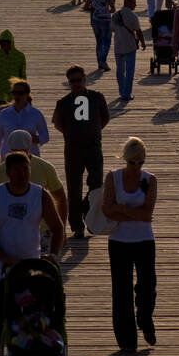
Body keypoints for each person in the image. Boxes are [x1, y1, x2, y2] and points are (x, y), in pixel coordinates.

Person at [0, 150, 65, 316]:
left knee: (32, 316)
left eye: (26, 169)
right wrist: (3, 257)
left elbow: (57, 228)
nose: (22, 174)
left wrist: (53, 255)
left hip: (31, 267)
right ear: (8, 172)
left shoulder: (40, 194)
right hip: (1, 267)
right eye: (17, 170)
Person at [101, 137, 158, 351]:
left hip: (144, 239)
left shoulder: (148, 180)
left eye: (141, 162)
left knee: (148, 286)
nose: (137, 167)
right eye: (133, 162)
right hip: (119, 241)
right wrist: (132, 212)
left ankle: (144, 318)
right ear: (126, 160)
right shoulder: (113, 178)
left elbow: (147, 213)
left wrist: (121, 209)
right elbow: (106, 209)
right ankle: (127, 340)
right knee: (121, 291)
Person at [52, 64, 111, 238]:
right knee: (74, 188)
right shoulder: (63, 103)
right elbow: (57, 123)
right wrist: (71, 134)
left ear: (85, 79)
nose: (76, 84)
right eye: (72, 81)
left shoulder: (96, 98)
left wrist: (93, 130)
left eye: (79, 80)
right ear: (69, 83)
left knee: (96, 186)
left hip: (93, 147)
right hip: (73, 149)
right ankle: (77, 225)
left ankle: (88, 212)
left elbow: (105, 118)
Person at [0, 129, 68, 251]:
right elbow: (60, 198)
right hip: (39, 233)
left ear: (8, 145)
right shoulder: (45, 168)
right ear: (30, 145)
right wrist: (62, 229)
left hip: (9, 234)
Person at [0, 80, 50, 159]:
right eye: (14, 93)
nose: (17, 96)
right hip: (8, 158)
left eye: (20, 93)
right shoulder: (4, 114)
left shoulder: (36, 114)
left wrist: (36, 139)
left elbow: (45, 136)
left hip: (30, 158)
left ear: (27, 94)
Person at [111, 0, 146, 101]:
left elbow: (112, 29)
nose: (135, 5)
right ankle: (127, 93)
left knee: (120, 70)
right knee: (130, 70)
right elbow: (138, 31)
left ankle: (122, 91)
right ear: (129, 3)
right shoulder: (132, 16)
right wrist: (143, 43)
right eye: (134, 3)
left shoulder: (115, 15)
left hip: (118, 45)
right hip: (130, 46)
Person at [84, 0, 116, 72]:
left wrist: (95, 9)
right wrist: (106, 10)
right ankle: (103, 61)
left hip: (96, 20)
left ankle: (99, 62)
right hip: (106, 20)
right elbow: (113, 9)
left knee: (99, 42)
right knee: (106, 42)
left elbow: (86, 7)